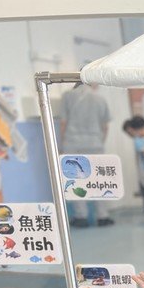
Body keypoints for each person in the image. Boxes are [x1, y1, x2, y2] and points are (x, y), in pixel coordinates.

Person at [59, 82, 113, 227]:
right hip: (95, 144)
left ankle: (81, 216)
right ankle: (103, 216)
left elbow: (63, 122)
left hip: (72, 143)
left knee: (75, 181)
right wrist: (99, 142)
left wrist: (62, 146)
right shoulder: (100, 99)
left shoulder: (67, 96)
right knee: (98, 181)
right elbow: (105, 126)